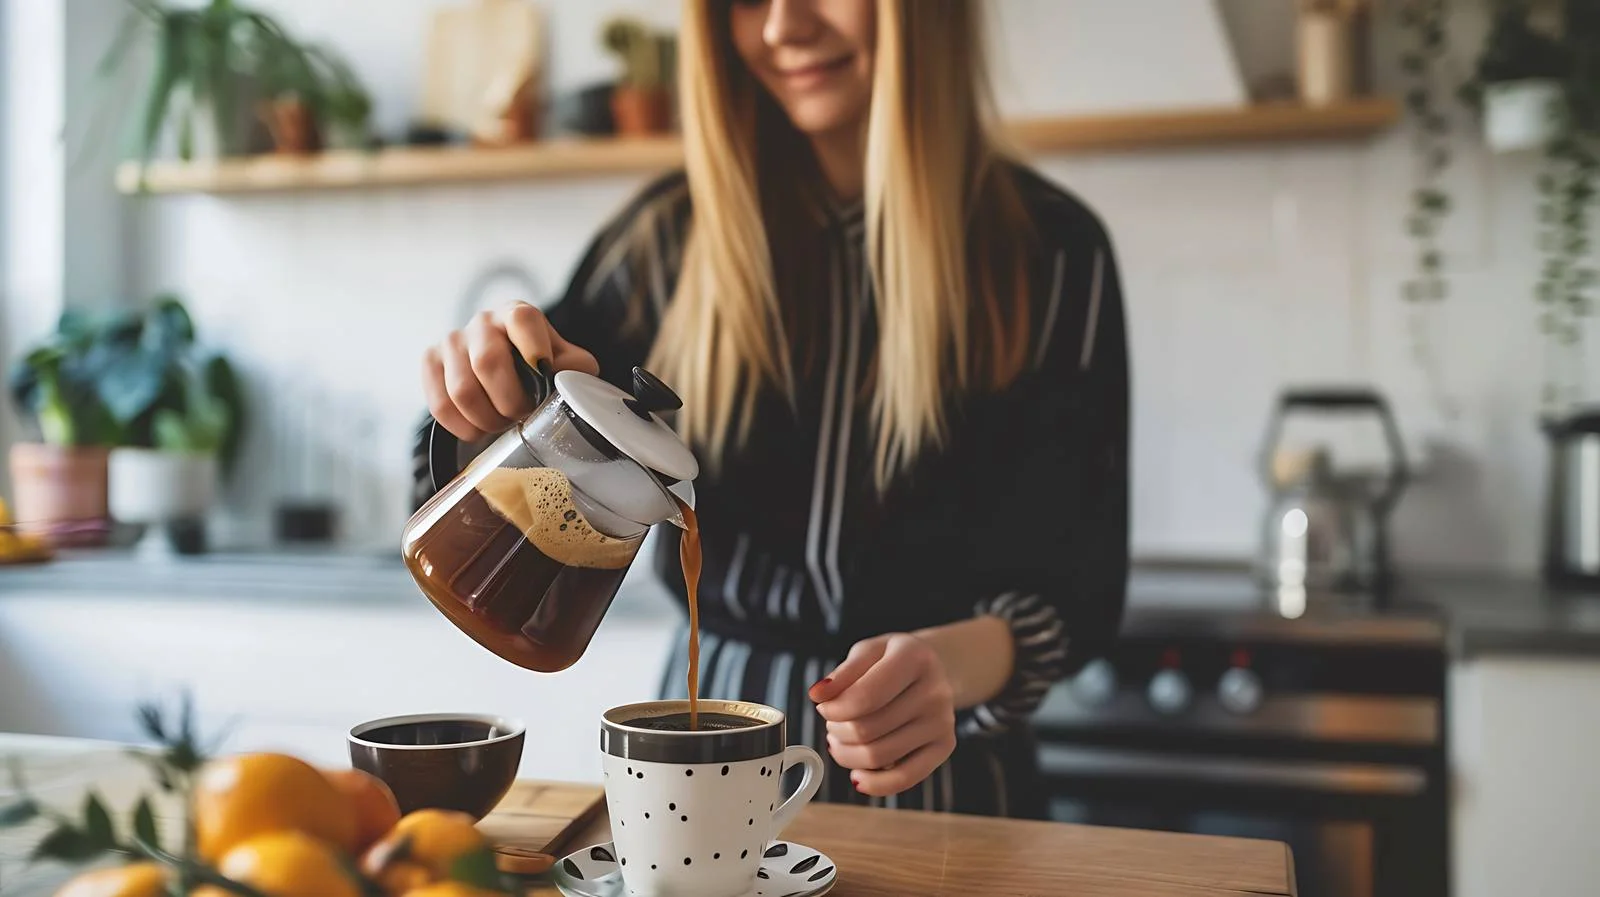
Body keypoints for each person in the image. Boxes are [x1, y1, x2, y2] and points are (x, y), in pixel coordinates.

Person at [415, 0, 1128, 820]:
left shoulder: (1053, 252)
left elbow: (1079, 588)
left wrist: (947, 665)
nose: (784, 26)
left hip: (951, 779)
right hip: (702, 767)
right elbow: (480, 477)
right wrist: (490, 402)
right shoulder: (662, 243)